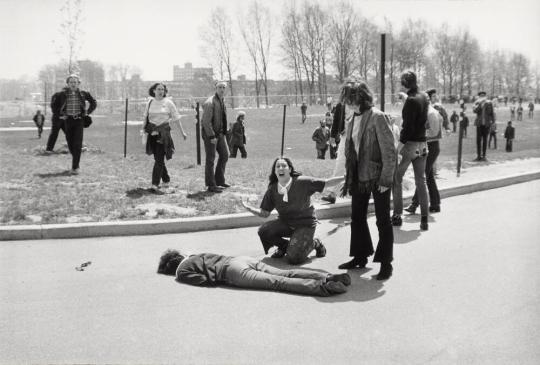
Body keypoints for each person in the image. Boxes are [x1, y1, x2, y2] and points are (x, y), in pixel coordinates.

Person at [337, 81, 397, 280]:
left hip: (377, 176)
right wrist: (348, 176)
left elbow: (390, 152)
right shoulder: (351, 120)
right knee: (357, 218)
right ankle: (360, 257)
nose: (349, 104)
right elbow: (352, 151)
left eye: (351, 100)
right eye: (347, 101)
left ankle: (386, 263)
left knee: (383, 221)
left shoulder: (378, 117)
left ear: (361, 97)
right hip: (358, 177)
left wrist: (386, 179)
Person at [242, 157, 344, 265]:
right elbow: (264, 213)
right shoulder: (272, 189)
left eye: (284, 166)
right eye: (278, 166)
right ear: (275, 171)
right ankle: (285, 247)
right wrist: (248, 207)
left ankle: (315, 243)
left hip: (305, 225)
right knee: (264, 231)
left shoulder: (302, 182)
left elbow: (327, 183)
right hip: (286, 223)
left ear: (290, 169)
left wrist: (345, 177)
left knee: (293, 259)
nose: (281, 168)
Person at [157, 249, 351, 297]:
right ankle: (326, 276)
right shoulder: (193, 254)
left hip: (231, 272)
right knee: (286, 273)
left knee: (277, 283)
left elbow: (202, 281)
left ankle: (324, 288)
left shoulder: (181, 271)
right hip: (239, 259)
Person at [391, 71, 430, 231]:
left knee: (396, 178)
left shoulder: (411, 102)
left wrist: (397, 148)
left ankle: (397, 215)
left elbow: (407, 128)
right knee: (421, 181)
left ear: (405, 83)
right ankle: (424, 219)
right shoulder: (424, 97)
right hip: (423, 145)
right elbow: (417, 108)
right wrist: (405, 98)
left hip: (410, 145)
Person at [143, 83, 187, 194]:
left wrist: (183, 132)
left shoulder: (168, 103)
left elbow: (176, 118)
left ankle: (154, 184)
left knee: (159, 160)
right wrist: (143, 131)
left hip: (164, 135)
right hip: (152, 134)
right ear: (153, 91)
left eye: (162, 89)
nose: (161, 91)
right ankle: (166, 179)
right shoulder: (150, 102)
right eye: (158, 89)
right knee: (158, 159)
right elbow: (145, 117)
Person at [48, 74, 96, 174]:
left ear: (78, 83)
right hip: (68, 121)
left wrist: (88, 112)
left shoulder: (83, 94)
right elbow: (53, 106)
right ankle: (76, 160)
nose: (73, 84)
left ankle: (75, 167)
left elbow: (93, 102)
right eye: (71, 82)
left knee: (77, 144)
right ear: (68, 84)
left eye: (75, 82)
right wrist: (60, 115)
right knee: (70, 144)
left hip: (79, 120)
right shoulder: (61, 95)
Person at [405, 89, 442, 215]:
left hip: (431, 147)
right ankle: (435, 204)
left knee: (421, 176)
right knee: (429, 176)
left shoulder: (431, 113)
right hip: (426, 146)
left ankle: (414, 204)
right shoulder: (425, 112)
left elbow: (434, 132)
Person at [202, 81, 230, 193]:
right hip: (211, 135)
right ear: (216, 88)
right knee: (210, 159)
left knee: (225, 155)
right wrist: (211, 136)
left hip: (220, 134)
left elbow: (221, 118)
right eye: (219, 87)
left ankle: (219, 180)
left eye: (224, 87)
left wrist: (225, 130)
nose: (222, 89)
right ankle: (211, 185)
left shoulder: (222, 100)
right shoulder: (210, 102)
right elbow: (205, 122)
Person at [472, 91, 495, 161]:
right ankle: (478, 156)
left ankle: (484, 156)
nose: (482, 97)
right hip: (479, 124)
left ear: (485, 96)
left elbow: (492, 113)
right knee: (478, 140)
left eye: (483, 95)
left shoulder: (489, 103)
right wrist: (480, 105)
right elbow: (475, 111)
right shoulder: (476, 103)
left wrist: (493, 122)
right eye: (481, 96)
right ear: (479, 96)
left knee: (485, 140)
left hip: (486, 124)